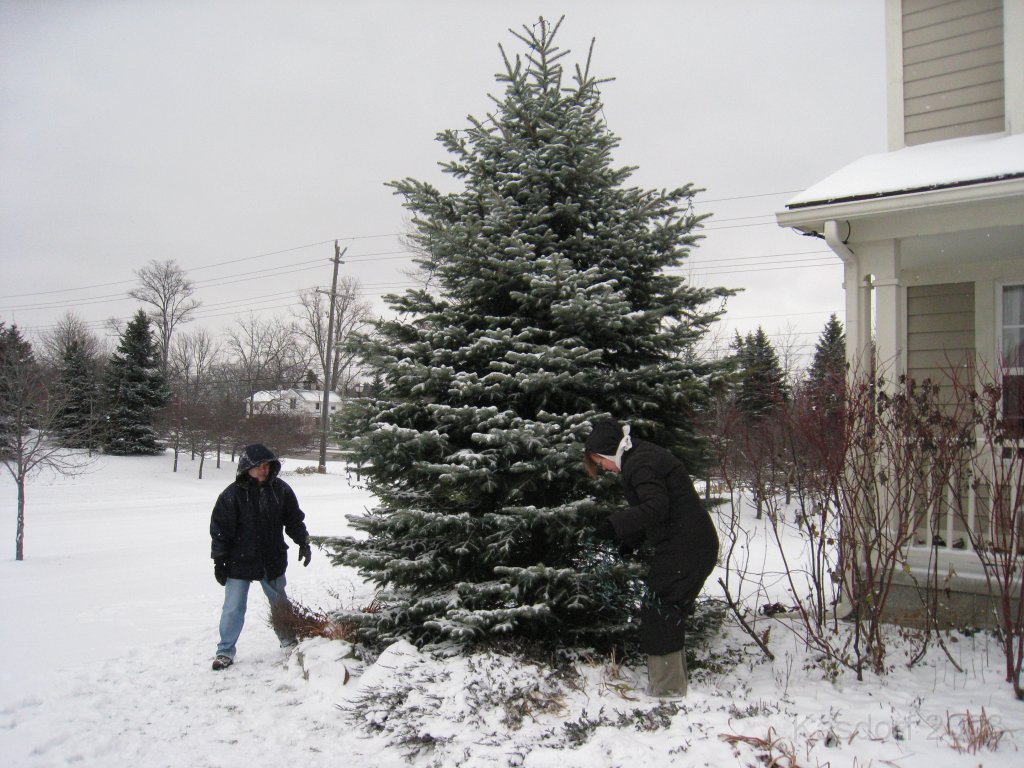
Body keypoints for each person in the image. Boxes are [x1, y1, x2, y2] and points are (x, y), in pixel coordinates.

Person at [584, 419, 719, 698]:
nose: (603, 469)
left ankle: (668, 690)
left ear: (609, 451)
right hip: (689, 544)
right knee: (665, 608)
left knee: (659, 608)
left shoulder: (640, 462)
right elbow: (655, 510)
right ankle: (671, 684)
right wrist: (629, 542)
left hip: (687, 547)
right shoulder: (640, 457)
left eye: (600, 462)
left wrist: (613, 525)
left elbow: (656, 507)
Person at [209, 443, 312, 671]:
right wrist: (220, 559)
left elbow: (293, 519)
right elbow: (220, 530)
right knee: (233, 607)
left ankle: (288, 642)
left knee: (279, 603)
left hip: (271, 557)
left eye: (266, 465)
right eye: (257, 466)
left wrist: (303, 541)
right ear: (246, 467)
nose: (263, 470)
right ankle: (225, 651)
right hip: (239, 560)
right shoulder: (232, 495)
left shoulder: (281, 490)